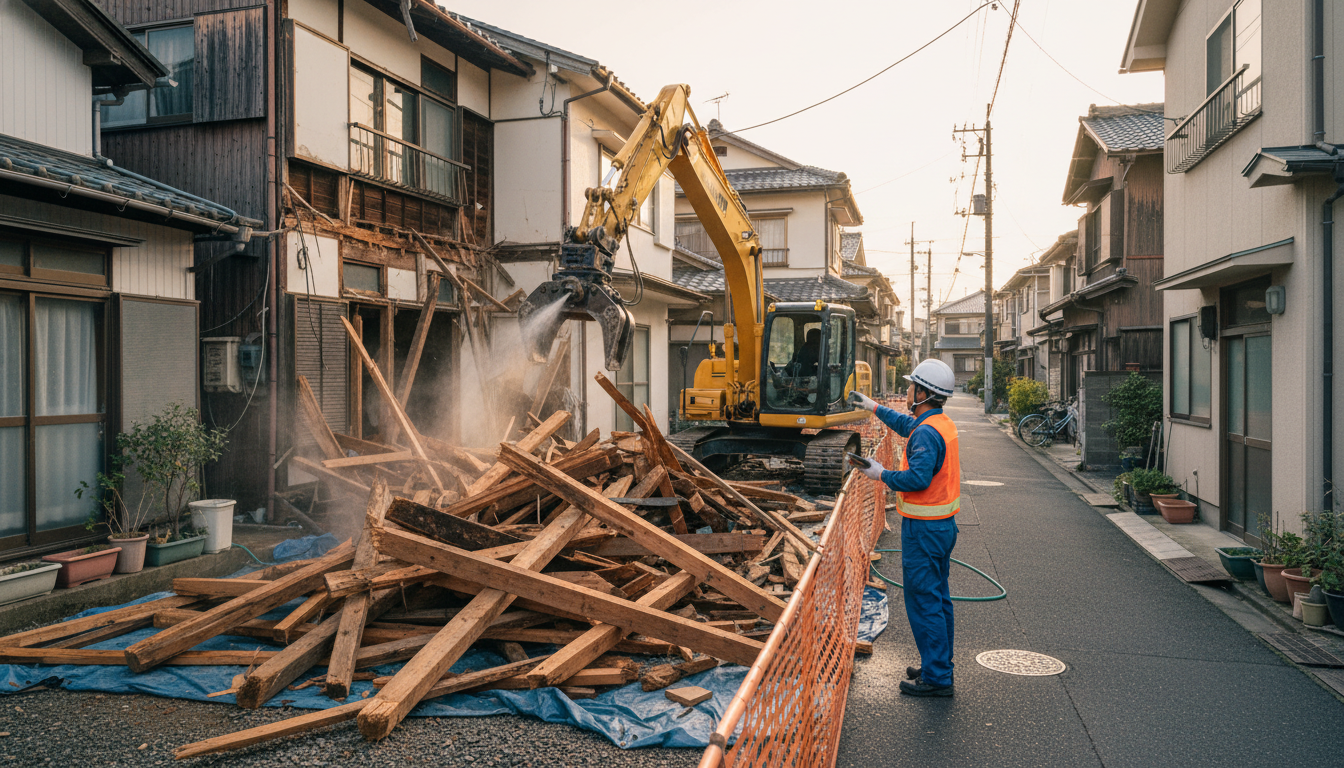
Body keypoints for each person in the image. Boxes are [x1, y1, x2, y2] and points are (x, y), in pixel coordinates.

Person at [849, 359, 960, 697]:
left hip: (924, 530)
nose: (907, 390)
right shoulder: (938, 422)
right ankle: (936, 663)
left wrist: (879, 473)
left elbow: (917, 478)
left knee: (925, 602)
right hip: (941, 527)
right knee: (938, 599)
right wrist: (873, 407)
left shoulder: (926, 433)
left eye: (912, 385)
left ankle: (938, 678)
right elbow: (905, 424)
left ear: (923, 392)